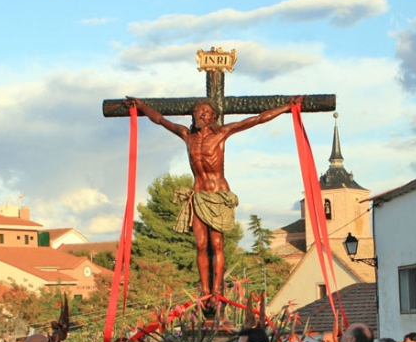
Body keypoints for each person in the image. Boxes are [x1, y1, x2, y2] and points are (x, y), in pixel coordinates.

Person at [126, 95, 301, 307]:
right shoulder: (186, 135)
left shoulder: (222, 134)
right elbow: (161, 120)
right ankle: (205, 290)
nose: (200, 114)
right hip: (198, 196)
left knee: (217, 244)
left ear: (213, 117)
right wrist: (141, 106)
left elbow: (257, 119)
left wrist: (286, 107)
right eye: (197, 111)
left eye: (206, 112)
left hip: (218, 196)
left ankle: (217, 290)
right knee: (200, 245)